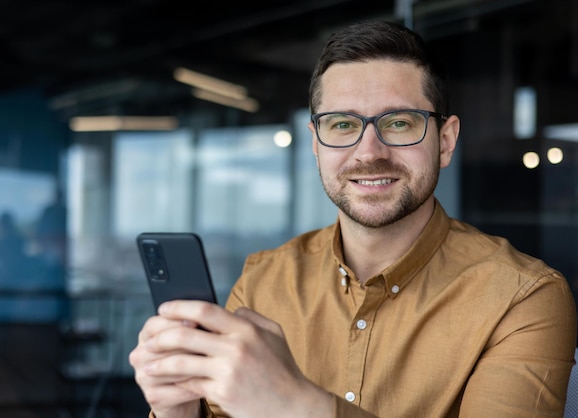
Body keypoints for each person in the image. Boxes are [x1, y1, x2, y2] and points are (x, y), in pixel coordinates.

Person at [129, 20, 577, 418]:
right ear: (316, 143)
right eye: (342, 124)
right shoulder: (262, 281)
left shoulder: (524, 299)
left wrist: (298, 404)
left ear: (445, 140)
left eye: (400, 123)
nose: (369, 152)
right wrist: (177, 414)